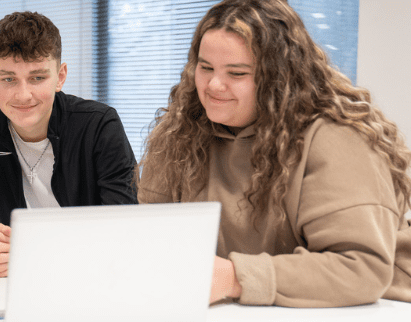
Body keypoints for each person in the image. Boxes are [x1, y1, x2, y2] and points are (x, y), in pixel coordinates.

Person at [137, 0, 411, 307]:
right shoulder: (179, 131)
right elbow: (152, 239)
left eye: (237, 73)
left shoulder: (336, 137)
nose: (214, 85)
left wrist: (233, 278)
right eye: (205, 67)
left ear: (279, 77)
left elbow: (361, 268)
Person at [0, 11, 138, 277]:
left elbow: (124, 225)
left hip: (93, 273)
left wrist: (38, 247)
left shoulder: (99, 124)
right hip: (20, 276)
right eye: (8, 79)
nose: (23, 95)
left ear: (60, 77)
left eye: (37, 78)